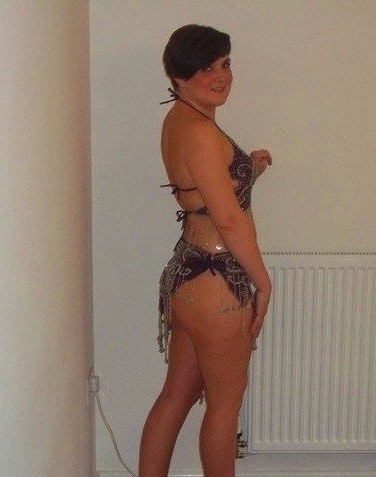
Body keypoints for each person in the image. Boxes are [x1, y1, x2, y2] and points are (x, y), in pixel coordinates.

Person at [138, 24, 273, 477]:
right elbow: (229, 220)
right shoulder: (199, 131)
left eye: (225, 64)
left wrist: (249, 169)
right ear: (179, 76)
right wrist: (263, 283)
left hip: (189, 274)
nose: (221, 77)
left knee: (176, 396)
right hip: (220, 283)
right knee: (224, 408)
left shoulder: (179, 120)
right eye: (206, 69)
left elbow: (205, 193)